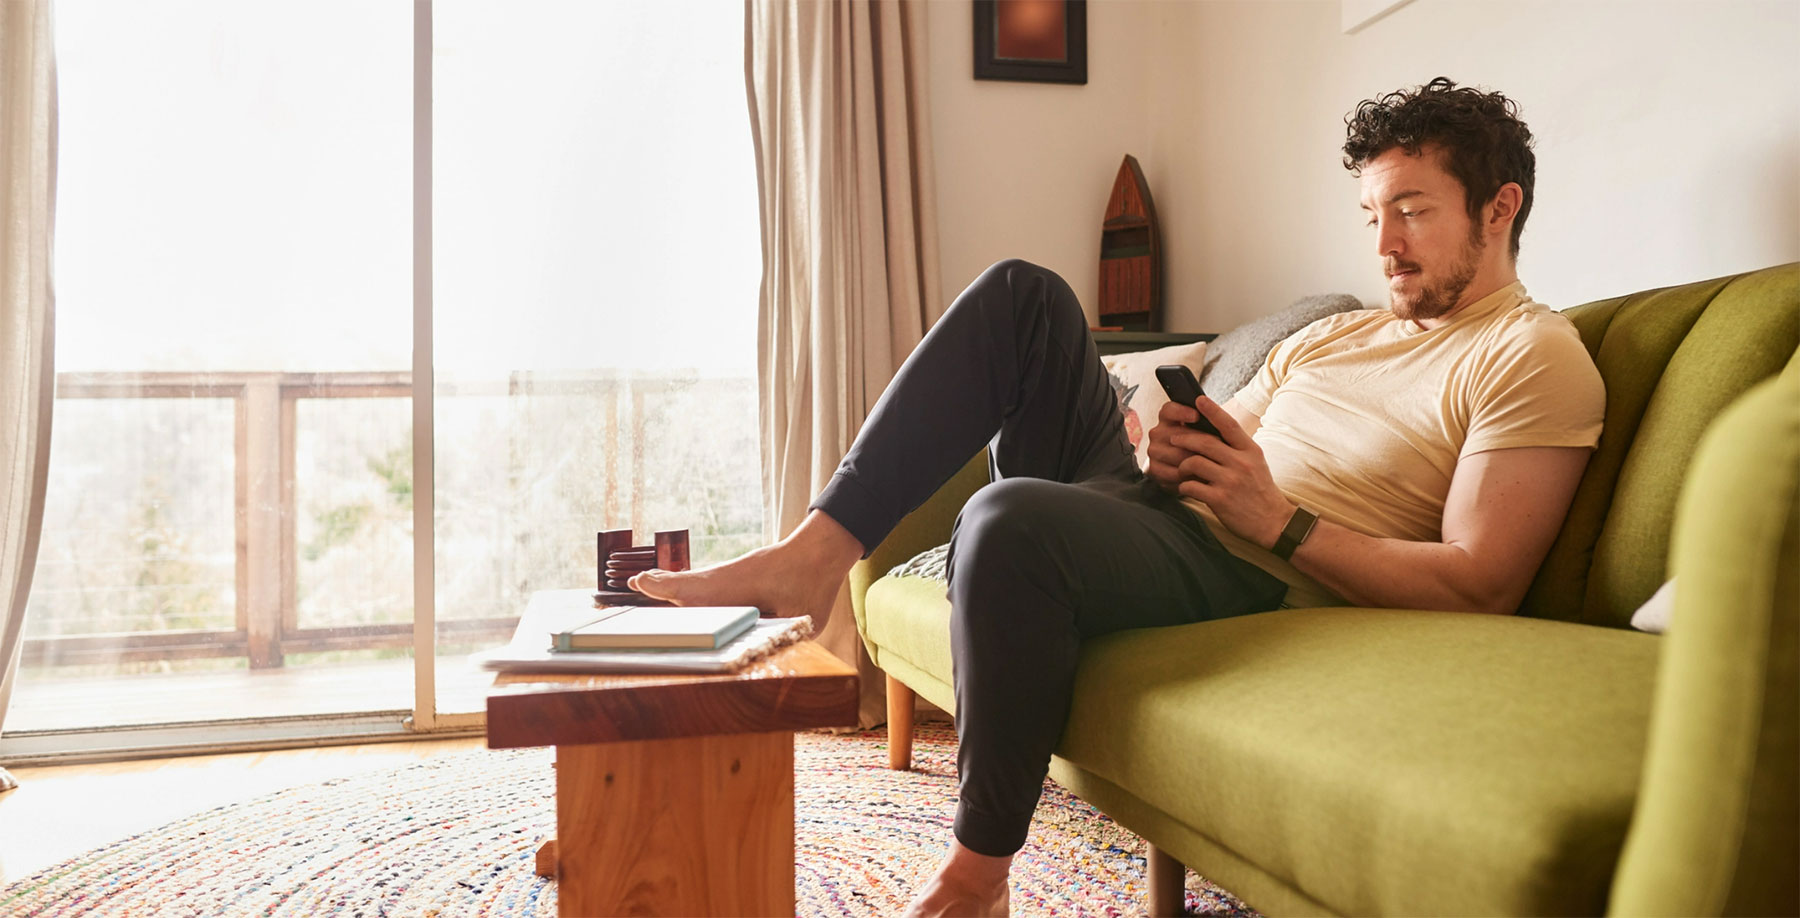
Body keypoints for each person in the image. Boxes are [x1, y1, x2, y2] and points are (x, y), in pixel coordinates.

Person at [630, 77, 1604, 917]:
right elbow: (1233, 443)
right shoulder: (1335, 335)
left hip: (1247, 566)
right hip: (1169, 514)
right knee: (1024, 297)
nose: (1385, 243)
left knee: (1004, 519)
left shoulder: (1528, 353)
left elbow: (1482, 585)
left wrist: (1279, 519)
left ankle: (981, 865)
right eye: (1372, 216)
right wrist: (1175, 447)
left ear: (1499, 208)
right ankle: (813, 555)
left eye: (1413, 210)